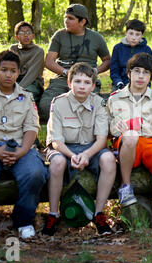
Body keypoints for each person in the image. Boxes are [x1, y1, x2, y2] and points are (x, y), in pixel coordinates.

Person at [0, 50, 48, 243]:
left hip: (21, 147)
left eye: (13, 71)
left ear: (19, 72)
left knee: (36, 172)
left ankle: (24, 221)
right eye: (4, 70)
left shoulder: (27, 97)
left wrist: (21, 151)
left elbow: (32, 127)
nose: (8, 74)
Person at [107, 52, 152, 236]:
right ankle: (126, 186)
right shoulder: (115, 98)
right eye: (136, 71)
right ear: (128, 73)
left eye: (145, 73)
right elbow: (106, 130)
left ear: (151, 78)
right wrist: (116, 127)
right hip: (126, 144)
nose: (140, 76)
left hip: (149, 142)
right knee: (130, 135)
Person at [42, 62, 117, 236]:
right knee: (58, 162)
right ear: (69, 83)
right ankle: (53, 214)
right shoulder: (59, 103)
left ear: (93, 86)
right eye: (77, 81)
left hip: (90, 147)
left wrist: (86, 154)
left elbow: (101, 139)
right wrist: (72, 155)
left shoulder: (98, 103)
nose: (81, 86)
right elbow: (56, 141)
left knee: (108, 159)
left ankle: (98, 214)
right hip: (64, 148)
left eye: (86, 82)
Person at [39, 3, 111, 122]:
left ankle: (69, 116)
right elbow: (49, 61)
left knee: (93, 108)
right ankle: (69, 117)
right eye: (65, 17)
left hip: (87, 80)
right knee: (45, 106)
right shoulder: (59, 35)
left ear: (82, 21)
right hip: (63, 79)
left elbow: (107, 60)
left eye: (70, 18)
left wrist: (95, 71)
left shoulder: (96, 38)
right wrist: (66, 72)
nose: (66, 21)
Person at [110, 19, 152, 92]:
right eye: (131, 33)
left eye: (137, 34)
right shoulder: (117, 48)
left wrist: (144, 85)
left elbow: (149, 72)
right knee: (116, 101)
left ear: (142, 35)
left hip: (140, 83)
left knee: (139, 100)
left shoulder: (147, 50)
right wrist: (118, 82)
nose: (133, 38)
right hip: (120, 83)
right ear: (126, 33)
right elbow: (114, 71)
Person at [9, 21, 45, 104]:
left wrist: (18, 89)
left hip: (32, 83)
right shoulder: (13, 49)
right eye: (22, 33)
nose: (26, 35)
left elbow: (32, 74)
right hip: (15, 81)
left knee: (21, 100)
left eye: (28, 32)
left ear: (33, 36)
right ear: (16, 37)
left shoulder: (38, 51)